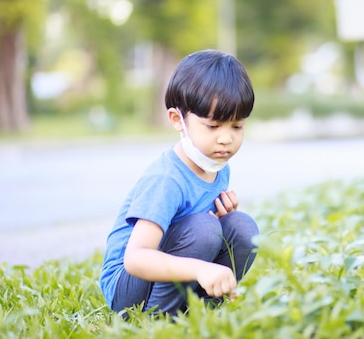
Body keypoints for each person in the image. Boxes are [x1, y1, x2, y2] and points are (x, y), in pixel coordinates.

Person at [99, 49, 259, 317]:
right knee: (205, 229)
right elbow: (136, 258)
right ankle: (159, 316)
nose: (226, 139)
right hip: (128, 288)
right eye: (213, 126)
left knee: (241, 227)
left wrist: (221, 219)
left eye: (237, 126)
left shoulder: (217, 166)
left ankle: (203, 307)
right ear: (177, 120)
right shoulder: (166, 179)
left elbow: (192, 227)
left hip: (169, 266)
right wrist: (201, 268)